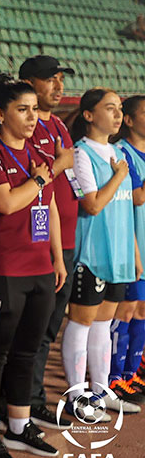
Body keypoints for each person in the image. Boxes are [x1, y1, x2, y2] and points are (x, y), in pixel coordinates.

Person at [0, 74, 66, 458]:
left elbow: (51, 206)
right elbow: (6, 203)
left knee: (26, 351)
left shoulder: (36, 157)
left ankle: (19, 424)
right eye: (22, 110)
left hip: (39, 267)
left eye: (33, 110)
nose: (31, 118)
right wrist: (44, 174)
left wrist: (57, 257)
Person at [60, 87, 142, 418]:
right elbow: (92, 204)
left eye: (120, 108)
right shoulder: (81, 154)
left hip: (119, 255)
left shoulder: (117, 154)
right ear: (89, 115)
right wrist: (119, 175)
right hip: (92, 255)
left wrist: (134, 254)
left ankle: (100, 391)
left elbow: (125, 210)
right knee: (81, 324)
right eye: (110, 108)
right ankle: (77, 396)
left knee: (103, 326)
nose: (118, 114)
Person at [18, 55, 78, 430]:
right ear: (28, 82)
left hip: (64, 242)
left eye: (60, 80)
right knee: (27, 331)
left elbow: (67, 165)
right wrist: (57, 165)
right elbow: (51, 171)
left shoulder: (56, 125)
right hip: (33, 245)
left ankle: (33, 399)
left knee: (47, 329)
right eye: (50, 80)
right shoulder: (25, 127)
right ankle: (21, 405)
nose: (58, 87)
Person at [113, 96, 145, 398]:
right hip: (132, 245)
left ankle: (133, 373)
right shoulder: (122, 153)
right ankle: (115, 376)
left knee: (142, 310)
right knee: (126, 310)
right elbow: (137, 198)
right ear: (130, 120)